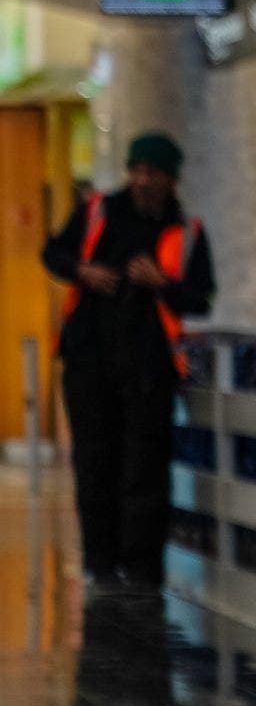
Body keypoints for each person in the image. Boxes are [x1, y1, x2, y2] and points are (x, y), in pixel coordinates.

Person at [41, 133, 215, 591]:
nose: (142, 181)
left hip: (149, 368)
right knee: (95, 465)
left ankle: (141, 571)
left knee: (145, 470)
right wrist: (84, 271)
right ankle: (100, 564)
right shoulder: (98, 211)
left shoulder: (188, 231)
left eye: (153, 173)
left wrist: (161, 283)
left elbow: (200, 299)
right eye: (136, 170)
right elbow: (52, 253)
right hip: (89, 362)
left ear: (171, 180)